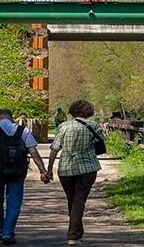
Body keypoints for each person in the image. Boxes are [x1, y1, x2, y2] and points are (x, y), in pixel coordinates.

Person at [0, 109, 51, 245]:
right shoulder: (24, 131)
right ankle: (8, 234)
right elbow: (34, 152)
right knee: (14, 203)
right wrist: (42, 170)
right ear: (12, 118)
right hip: (17, 171)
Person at [47, 100, 104, 246]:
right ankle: (73, 235)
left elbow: (54, 148)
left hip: (66, 168)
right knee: (79, 200)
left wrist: (49, 169)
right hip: (87, 168)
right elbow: (100, 144)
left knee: (72, 200)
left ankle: (77, 233)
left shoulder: (64, 126)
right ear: (88, 111)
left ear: (72, 111)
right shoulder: (93, 126)